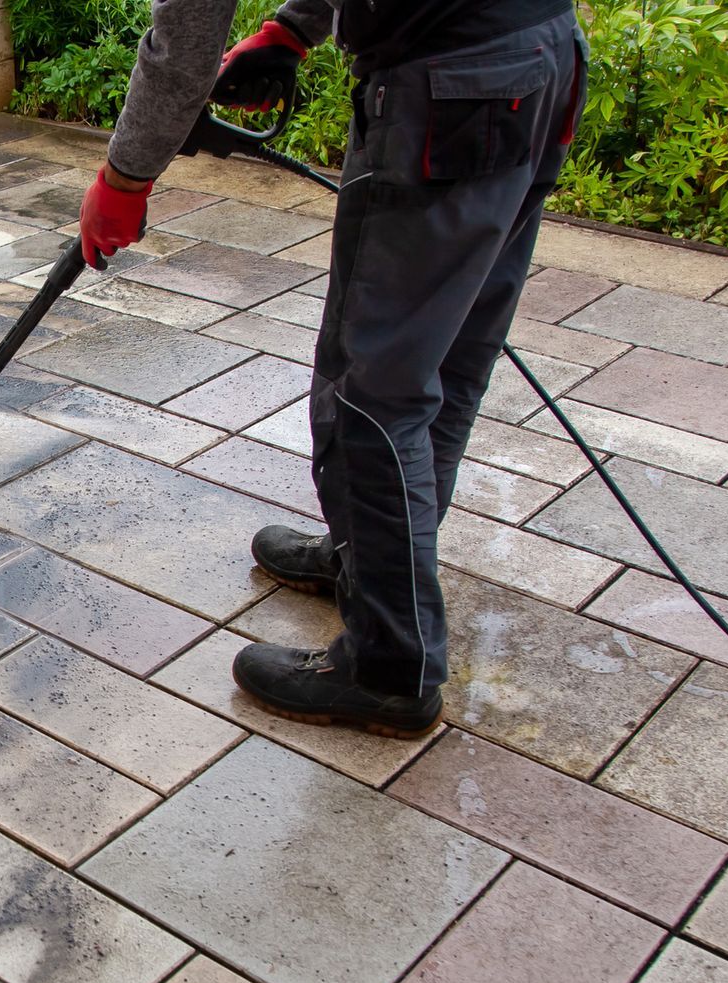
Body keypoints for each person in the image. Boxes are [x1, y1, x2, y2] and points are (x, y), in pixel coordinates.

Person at [78, 0, 586, 737]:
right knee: (447, 352)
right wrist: (294, 27)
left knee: (375, 393)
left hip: (453, 88)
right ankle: (373, 564)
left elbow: (184, 44)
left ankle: (389, 667)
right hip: (538, 56)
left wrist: (125, 179)